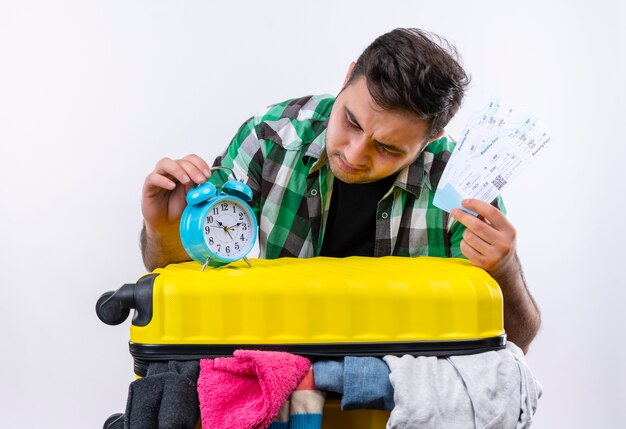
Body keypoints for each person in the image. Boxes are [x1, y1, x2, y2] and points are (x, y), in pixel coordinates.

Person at [140, 28, 540, 352]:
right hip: (284, 359)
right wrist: (164, 229)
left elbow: (513, 344)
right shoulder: (270, 137)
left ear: (432, 137)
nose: (354, 153)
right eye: (351, 121)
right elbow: (185, 279)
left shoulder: (460, 183)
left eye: (387, 148)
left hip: (398, 385)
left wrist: (503, 271)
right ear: (348, 76)